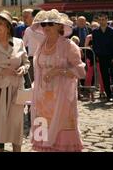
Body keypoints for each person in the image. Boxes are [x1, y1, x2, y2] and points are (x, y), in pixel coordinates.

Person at [30, 9, 86, 152]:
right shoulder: (41, 46)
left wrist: (58, 71)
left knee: (62, 137)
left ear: (59, 26)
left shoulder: (69, 45)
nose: (46, 27)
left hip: (62, 99)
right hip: (43, 99)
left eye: (50, 23)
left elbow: (81, 71)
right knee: (43, 133)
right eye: (43, 24)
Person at [0, 10, 30, 152]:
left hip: (16, 90)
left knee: (16, 124)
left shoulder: (19, 42)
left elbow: (26, 62)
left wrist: (23, 69)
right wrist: (1, 71)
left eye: (1, 23)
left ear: (8, 26)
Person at [91, 13, 113, 102]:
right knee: (105, 76)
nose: (101, 21)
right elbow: (94, 45)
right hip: (101, 57)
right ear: (98, 20)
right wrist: (96, 55)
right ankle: (108, 95)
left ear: (106, 20)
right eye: (100, 20)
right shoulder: (95, 32)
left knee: (112, 77)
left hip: (112, 57)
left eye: (103, 19)